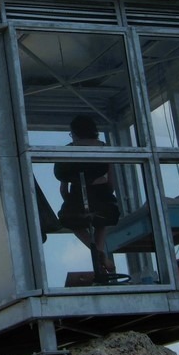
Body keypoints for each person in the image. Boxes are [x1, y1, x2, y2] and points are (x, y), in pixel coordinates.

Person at [53, 113, 119, 274]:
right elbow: (111, 182)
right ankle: (99, 253)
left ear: (74, 132)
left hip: (76, 198)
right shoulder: (104, 148)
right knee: (102, 221)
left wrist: (71, 201)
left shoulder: (68, 150)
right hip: (102, 196)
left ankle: (97, 253)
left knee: (73, 222)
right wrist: (107, 194)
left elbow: (63, 189)